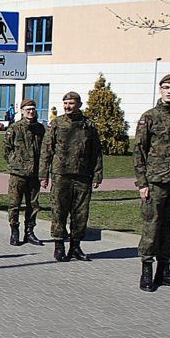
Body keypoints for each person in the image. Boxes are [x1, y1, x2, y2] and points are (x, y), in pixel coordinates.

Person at [39, 91, 103, 262]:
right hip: (61, 174)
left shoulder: (88, 125)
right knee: (59, 210)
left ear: (79, 105)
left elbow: (96, 151)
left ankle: (75, 247)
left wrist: (97, 174)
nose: (67, 106)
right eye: (65, 103)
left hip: (83, 175)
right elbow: (47, 150)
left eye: (71, 103)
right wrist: (43, 175)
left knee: (80, 213)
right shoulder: (56, 123)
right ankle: (59, 245)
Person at [134, 73, 170, 292]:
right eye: (166, 87)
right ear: (160, 89)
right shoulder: (150, 117)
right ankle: (146, 271)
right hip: (155, 182)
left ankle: (164, 271)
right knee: (152, 226)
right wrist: (142, 183)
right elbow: (139, 151)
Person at [3, 99, 45, 246]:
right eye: (27, 109)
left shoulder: (40, 129)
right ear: (22, 111)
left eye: (33, 109)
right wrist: (15, 163)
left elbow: (45, 150)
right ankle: (14, 231)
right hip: (18, 173)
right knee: (14, 204)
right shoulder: (14, 128)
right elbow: (6, 149)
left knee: (33, 205)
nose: (30, 111)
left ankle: (29, 232)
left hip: (34, 173)